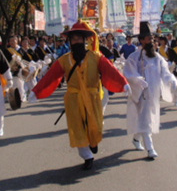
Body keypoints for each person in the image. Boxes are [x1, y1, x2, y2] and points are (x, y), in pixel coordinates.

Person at [29, 21, 129, 170]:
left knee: (96, 126)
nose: (76, 41)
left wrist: (123, 83)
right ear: (70, 41)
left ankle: (93, 141)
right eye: (73, 39)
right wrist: (36, 91)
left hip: (93, 97)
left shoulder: (96, 57)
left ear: (84, 40)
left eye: (78, 38)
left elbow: (110, 70)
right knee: (77, 128)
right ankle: (87, 156)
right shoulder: (64, 60)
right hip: (74, 99)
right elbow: (50, 77)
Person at [123, 22, 177, 160]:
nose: (151, 41)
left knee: (145, 119)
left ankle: (136, 138)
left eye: (152, 39)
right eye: (148, 38)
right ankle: (150, 148)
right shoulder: (134, 57)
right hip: (140, 93)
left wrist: (171, 79)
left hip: (153, 94)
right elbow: (129, 72)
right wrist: (137, 80)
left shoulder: (157, 57)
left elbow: (165, 71)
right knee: (145, 119)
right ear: (141, 40)